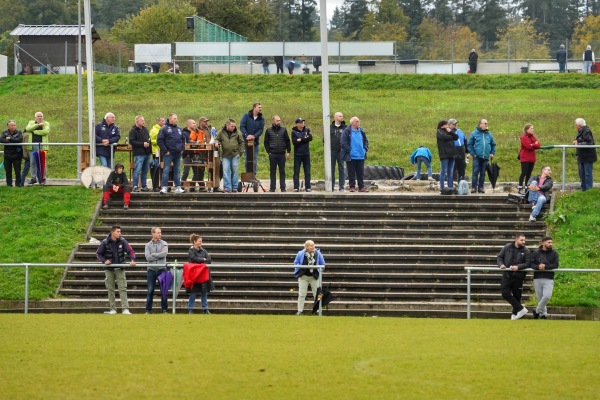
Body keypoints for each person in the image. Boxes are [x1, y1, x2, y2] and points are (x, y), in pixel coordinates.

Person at [96, 225, 136, 315]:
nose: (119, 233)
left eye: (120, 232)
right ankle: (113, 309)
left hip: (120, 268)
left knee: (123, 288)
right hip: (109, 269)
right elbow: (98, 254)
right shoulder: (105, 242)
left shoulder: (123, 241)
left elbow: (130, 251)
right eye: (118, 231)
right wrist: (104, 261)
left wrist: (132, 260)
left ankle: (125, 309)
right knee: (110, 289)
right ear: (112, 232)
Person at [497, 233, 531, 320]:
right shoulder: (507, 247)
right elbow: (500, 257)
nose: (524, 242)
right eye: (522, 240)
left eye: (524, 240)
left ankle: (514, 315)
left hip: (518, 276)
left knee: (517, 296)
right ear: (516, 240)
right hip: (507, 275)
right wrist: (501, 265)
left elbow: (528, 263)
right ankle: (521, 308)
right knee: (505, 293)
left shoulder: (526, 250)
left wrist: (518, 267)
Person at [293, 240, 326, 315]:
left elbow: (323, 264)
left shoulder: (318, 253)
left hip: (314, 277)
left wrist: (320, 268)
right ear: (307, 247)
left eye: (313, 245)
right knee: (302, 294)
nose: (313, 247)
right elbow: (295, 263)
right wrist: (300, 267)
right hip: (303, 276)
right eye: (311, 245)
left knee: (318, 294)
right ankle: (300, 311)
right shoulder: (300, 253)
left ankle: (318, 310)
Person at [531, 236, 559, 320]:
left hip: (549, 278)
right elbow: (531, 264)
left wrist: (545, 266)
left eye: (551, 242)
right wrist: (538, 267)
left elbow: (555, 265)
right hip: (537, 277)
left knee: (546, 296)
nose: (551, 244)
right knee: (540, 298)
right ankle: (544, 315)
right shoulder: (536, 253)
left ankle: (536, 311)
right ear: (543, 243)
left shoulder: (554, 253)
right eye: (549, 242)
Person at [157, 113, 186, 194]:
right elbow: (159, 140)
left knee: (177, 170)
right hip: (168, 153)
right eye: (174, 118)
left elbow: (183, 140)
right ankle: (164, 187)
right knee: (166, 170)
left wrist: (182, 149)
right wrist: (165, 151)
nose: (176, 119)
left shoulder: (179, 129)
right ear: (170, 119)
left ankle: (178, 187)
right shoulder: (164, 128)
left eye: (176, 118)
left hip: (177, 153)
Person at [215, 119, 244, 193]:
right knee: (225, 171)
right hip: (225, 155)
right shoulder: (221, 132)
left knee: (234, 171)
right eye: (232, 126)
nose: (233, 127)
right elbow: (216, 139)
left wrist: (240, 153)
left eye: (234, 126)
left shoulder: (238, 133)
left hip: (235, 154)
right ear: (227, 125)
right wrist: (216, 143)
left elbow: (242, 143)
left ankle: (234, 187)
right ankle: (227, 188)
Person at [341, 116, 369, 192]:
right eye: (356, 121)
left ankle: (361, 187)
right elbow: (343, 143)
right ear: (352, 123)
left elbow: (366, 141)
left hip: (361, 155)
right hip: (351, 156)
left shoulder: (362, 131)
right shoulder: (347, 131)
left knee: (361, 172)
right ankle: (352, 186)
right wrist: (350, 150)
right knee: (351, 172)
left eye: (358, 121)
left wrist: (365, 149)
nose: (358, 122)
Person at [467, 119, 496, 193]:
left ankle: (481, 187)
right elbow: (469, 145)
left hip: (485, 157)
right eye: (485, 123)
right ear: (480, 124)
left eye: (487, 123)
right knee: (475, 172)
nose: (486, 125)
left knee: (483, 173)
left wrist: (492, 152)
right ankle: (473, 188)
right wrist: (473, 154)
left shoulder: (489, 134)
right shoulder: (474, 133)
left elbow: (493, 144)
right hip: (477, 157)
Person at [144, 227, 169, 314]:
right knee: (150, 290)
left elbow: (164, 254)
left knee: (164, 290)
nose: (160, 234)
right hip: (151, 270)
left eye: (160, 232)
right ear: (153, 234)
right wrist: (159, 254)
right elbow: (148, 257)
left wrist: (153, 254)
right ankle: (148, 310)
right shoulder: (147, 245)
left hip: (162, 269)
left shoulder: (164, 243)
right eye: (158, 233)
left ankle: (164, 309)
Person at [263, 115, 291, 192]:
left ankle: (283, 188)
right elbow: (266, 142)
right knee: (272, 171)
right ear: (273, 121)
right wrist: (269, 151)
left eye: (279, 120)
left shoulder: (283, 130)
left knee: (282, 171)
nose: (279, 122)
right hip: (273, 154)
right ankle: (272, 188)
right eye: (277, 120)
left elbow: (287, 141)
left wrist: (288, 151)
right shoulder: (268, 130)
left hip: (282, 154)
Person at [187, 233, 214, 314]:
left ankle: (205, 308)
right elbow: (193, 259)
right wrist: (203, 259)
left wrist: (201, 260)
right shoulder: (191, 251)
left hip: (203, 274)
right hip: (195, 274)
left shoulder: (204, 250)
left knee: (204, 292)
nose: (201, 243)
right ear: (194, 241)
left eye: (201, 241)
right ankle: (190, 308)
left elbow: (209, 259)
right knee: (193, 292)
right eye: (199, 241)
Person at [23, 112, 50, 185]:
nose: (40, 117)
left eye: (41, 116)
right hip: (32, 145)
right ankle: (33, 178)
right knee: (33, 162)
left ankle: (43, 178)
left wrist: (34, 131)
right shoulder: (31, 122)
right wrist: (37, 125)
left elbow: (45, 131)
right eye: (38, 116)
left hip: (42, 145)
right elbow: (28, 128)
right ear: (35, 117)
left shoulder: (46, 123)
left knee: (43, 163)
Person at [239, 102, 265, 175]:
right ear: (254, 108)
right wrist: (246, 135)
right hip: (246, 142)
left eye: (261, 107)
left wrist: (254, 136)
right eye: (259, 107)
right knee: (247, 159)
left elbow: (261, 129)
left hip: (255, 143)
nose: (260, 108)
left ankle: (254, 175)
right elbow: (242, 126)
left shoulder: (261, 118)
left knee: (255, 160)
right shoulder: (246, 116)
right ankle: (248, 174)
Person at [129, 115, 152, 192]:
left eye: (144, 120)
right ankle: (135, 186)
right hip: (139, 153)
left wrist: (149, 147)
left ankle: (144, 186)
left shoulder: (145, 129)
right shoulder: (133, 130)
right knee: (137, 170)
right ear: (137, 121)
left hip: (147, 153)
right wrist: (142, 144)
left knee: (145, 170)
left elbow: (149, 139)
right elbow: (131, 141)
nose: (143, 122)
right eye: (142, 120)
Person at [573, 118, 597, 191]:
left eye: (576, 125)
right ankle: (583, 188)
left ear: (580, 125)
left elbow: (590, 142)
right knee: (582, 173)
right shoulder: (581, 131)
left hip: (588, 156)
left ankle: (588, 189)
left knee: (587, 173)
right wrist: (577, 141)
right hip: (582, 156)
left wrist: (578, 143)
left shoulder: (586, 131)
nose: (575, 126)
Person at [291, 117, 313, 192]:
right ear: (297, 124)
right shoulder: (294, 131)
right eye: (300, 122)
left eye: (303, 122)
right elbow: (294, 142)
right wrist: (304, 138)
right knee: (296, 171)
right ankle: (296, 187)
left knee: (307, 171)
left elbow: (310, 138)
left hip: (306, 153)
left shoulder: (307, 130)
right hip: (297, 154)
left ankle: (308, 187)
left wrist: (301, 139)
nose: (302, 124)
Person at [436, 120, 458, 192]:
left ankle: (450, 187)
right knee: (443, 171)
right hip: (444, 154)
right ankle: (442, 188)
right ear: (442, 125)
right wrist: (451, 135)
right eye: (446, 125)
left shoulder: (449, 131)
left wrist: (450, 132)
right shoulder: (439, 132)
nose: (448, 126)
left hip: (452, 154)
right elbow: (445, 137)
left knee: (450, 172)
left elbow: (456, 137)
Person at [518, 124, 541, 194]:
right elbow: (528, 147)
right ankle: (520, 187)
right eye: (531, 128)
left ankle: (526, 188)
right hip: (525, 158)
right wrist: (534, 145)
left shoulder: (533, 137)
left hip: (532, 158)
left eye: (533, 128)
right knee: (524, 173)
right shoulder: (524, 137)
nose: (533, 129)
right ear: (527, 129)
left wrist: (533, 144)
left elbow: (538, 145)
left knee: (529, 174)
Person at [0, 120, 23, 187]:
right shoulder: (4, 132)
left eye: (14, 125)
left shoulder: (19, 132)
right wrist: (10, 141)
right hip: (7, 155)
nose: (13, 127)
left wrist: (10, 138)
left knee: (17, 171)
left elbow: (19, 140)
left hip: (17, 155)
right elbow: (1, 139)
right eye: (12, 125)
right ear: (8, 126)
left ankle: (18, 185)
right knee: (8, 171)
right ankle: (9, 185)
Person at [189, 118, 209, 191]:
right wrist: (195, 143)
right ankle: (194, 186)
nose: (206, 123)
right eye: (205, 121)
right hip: (196, 153)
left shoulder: (205, 131)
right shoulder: (195, 131)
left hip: (203, 152)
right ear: (200, 122)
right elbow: (190, 140)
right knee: (197, 171)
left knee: (201, 170)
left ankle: (199, 187)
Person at [330, 112, 346, 191]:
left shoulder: (345, 128)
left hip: (341, 151)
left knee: (341, 169)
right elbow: (325, 139)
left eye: (342, 116)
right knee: (331, 169)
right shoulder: (330, 127)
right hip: (332, 151)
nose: (342, 117)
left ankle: (341, 186)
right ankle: (331, 186)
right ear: (335, 117)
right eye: (340, 116)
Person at [149, 117, 165, 191]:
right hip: (156, 151)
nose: (164, 122)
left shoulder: (164, 129)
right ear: (158, 121)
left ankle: (161, 184)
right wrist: (160, 141)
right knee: (156, 168)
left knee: (162, 168)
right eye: (162, 121)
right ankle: (155, 185)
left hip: (163, 151)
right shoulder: (154, 130)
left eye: (164, 120)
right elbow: (151, 141)